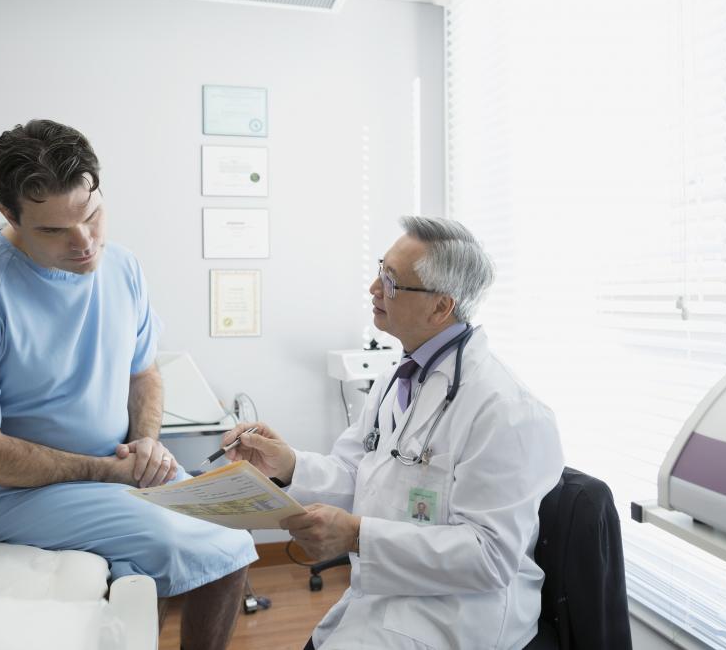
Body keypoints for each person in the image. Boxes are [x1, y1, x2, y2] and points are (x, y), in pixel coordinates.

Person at [0, 119, 257, 650]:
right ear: (8, 215)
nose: (84, 243)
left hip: (112, 461)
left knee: (233, 532)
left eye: (92, 215)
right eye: (53, 231)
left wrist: (148, 443)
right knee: (191, 545)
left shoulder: (122, 266)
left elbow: (144, 373)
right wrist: (110, 473)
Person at [223, 216, 565, 650]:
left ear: (440, 306)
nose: (373, 288)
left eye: (391, 280)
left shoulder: (508, 411)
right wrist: (288, 463)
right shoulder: (398, 379)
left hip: (458, 613)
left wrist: (357, 536)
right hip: (389, 596)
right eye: (381, 269)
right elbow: (356, 470)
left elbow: (490, 557)